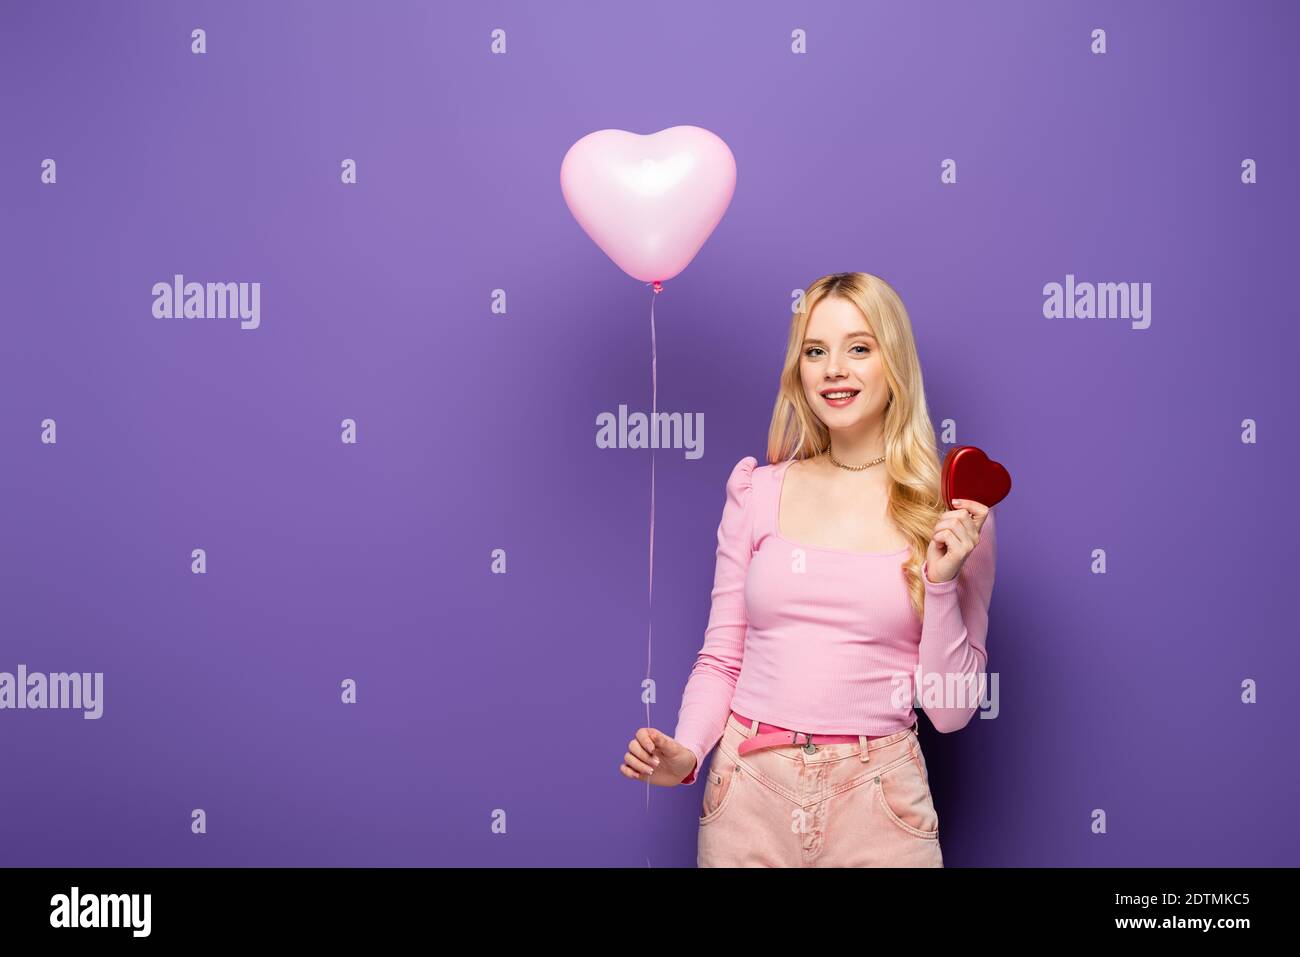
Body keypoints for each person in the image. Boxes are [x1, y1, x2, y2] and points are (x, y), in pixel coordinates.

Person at [618, 271, 997, 867]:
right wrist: (687, 752)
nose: (833, 369)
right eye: (815, 351)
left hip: (880, 801)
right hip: (749, 795)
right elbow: (722, 656)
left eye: (859, 348)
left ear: (893, 363)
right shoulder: (756, 491)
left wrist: (942, 584)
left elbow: (950, 714)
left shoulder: (948, 510)